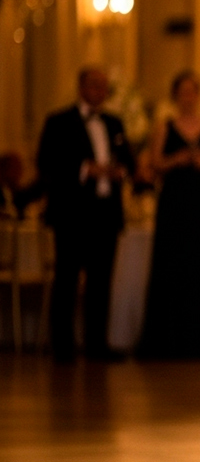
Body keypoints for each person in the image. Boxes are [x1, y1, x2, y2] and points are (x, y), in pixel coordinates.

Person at [136, 71, 200, 359]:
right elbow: (153, 164)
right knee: (173, 265)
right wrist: (175, 160)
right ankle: (169, 338)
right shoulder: (164, 127)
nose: (188, 97)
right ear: (176, 96)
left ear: (198, 95)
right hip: (174, 203)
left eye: (193, 91)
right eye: (183, 92)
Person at [36, 67, 135, 362]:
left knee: (101, 281)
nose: (99, 92)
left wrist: (121, 171)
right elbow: (47, 162)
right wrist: (84, 169)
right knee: (66, 278)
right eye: (94, 85)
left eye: (104, 87)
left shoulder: (114, 123)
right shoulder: (59, 122)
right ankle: (63, 346)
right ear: (81, 87)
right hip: (72, 212)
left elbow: (129, 160)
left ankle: (97, 344)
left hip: (106, 211)